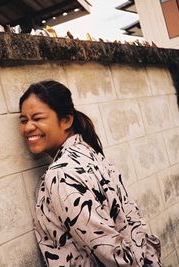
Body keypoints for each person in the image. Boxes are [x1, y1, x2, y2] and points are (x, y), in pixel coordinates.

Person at [18, 80, 161, 266]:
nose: (28, 127)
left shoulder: (61, 174)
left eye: (37, 118)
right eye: (24, 120)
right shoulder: (90, 153)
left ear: (66, 121)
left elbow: (115, 256)